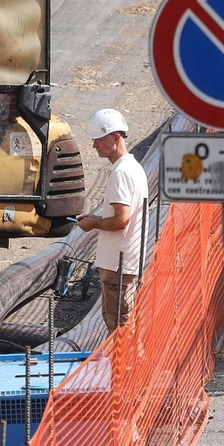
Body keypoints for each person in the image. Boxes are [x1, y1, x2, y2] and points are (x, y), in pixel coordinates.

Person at [75, 109, 147, 330]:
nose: (95, 145)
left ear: (116, 137)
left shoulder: (121, 173)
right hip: (124, 264)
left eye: (99, 140)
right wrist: (96, 218)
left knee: (120, 332)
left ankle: (125, 367)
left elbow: (120, 220)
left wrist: (93, 223)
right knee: (124, 330)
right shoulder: (132, 168)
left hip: (119, 266)